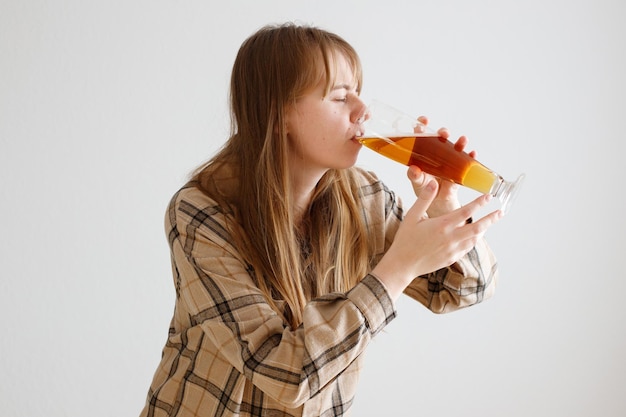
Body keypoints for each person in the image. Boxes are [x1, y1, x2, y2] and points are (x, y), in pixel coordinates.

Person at [139, 22, 502, 417]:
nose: (363, 111)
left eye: (359, 93)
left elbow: (465, 288)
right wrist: (397, 268)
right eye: (340, 97)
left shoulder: (363, 195)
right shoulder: (201, 212)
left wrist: (443, 203)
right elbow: (285, 374)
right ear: (278, 114)